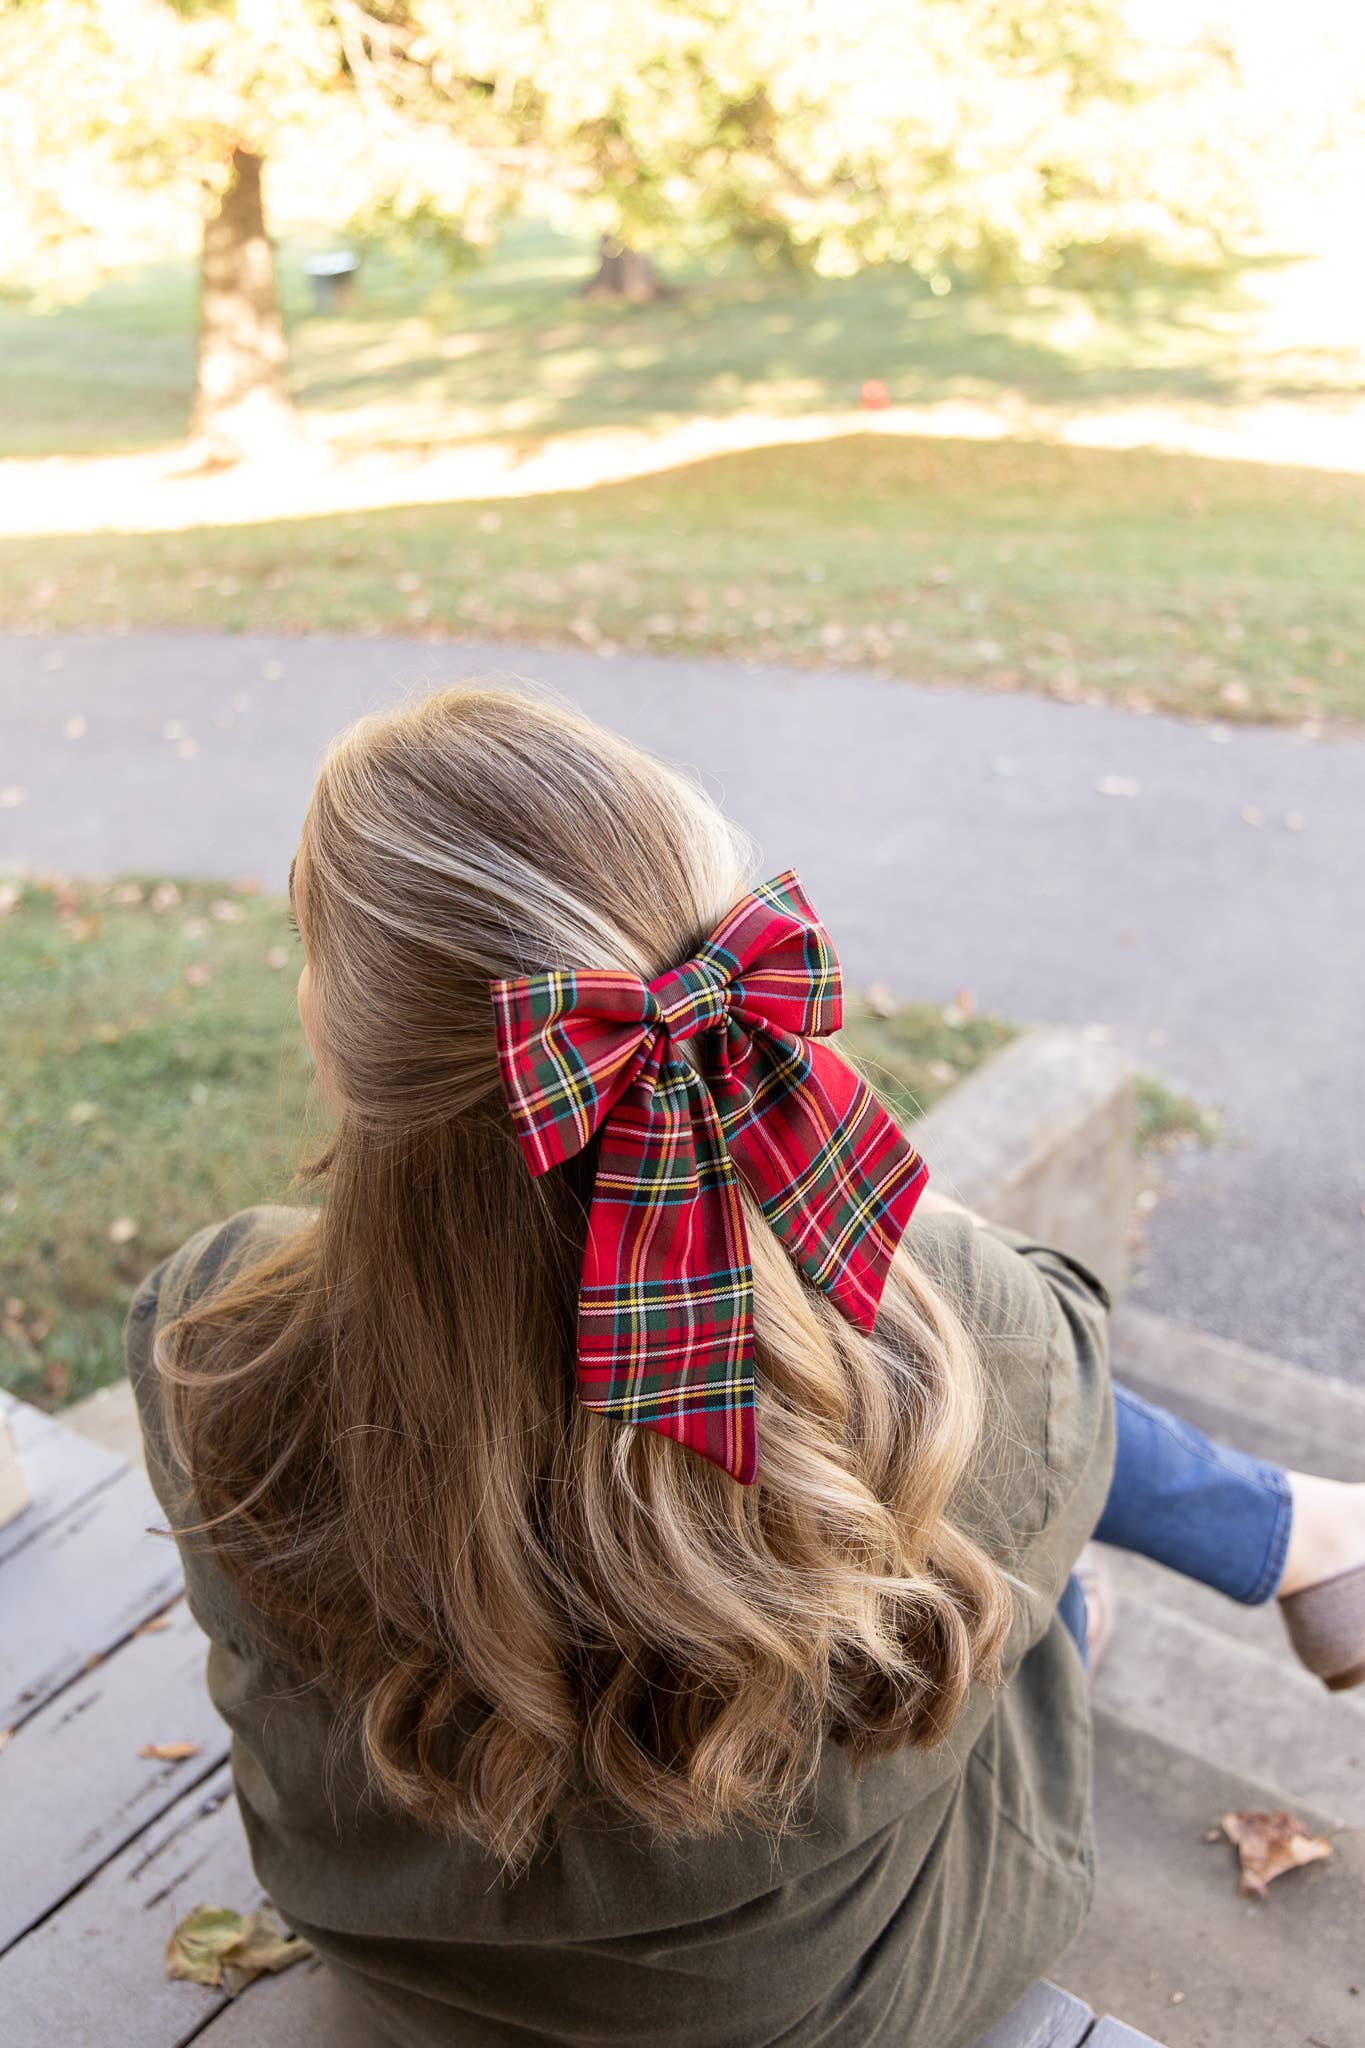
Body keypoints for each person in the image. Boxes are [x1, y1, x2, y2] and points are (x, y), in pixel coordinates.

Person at [126, 688, 1365, 2048]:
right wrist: (849, 1225)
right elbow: (1034, 1326)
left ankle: (1285, 1535)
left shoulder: (207, 1334)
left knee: (949, 1432)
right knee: (973, 1476)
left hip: (419, 1961)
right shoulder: (962, 1331)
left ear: (348, 1039)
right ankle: (1286, 1538)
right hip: (827, 2003)